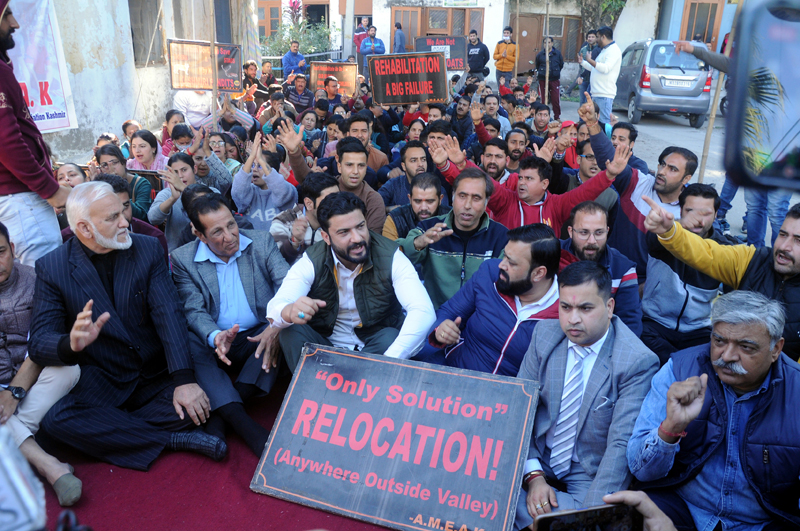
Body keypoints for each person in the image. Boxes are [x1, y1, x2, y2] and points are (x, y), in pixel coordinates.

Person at [29, 182, 225, 471]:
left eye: (123, 211)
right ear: (84, 228)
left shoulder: (146, 249)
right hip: (102, 379)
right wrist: (69, 344)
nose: (125, 222)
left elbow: (168, 315)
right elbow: (40, 341)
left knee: (196, 404)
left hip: (154, 373)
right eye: (111, 218)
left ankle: (120, 433)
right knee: (56, 419)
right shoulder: (52, 267)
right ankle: (172, 440)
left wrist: (183, 380)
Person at [628, 291, 800, 530]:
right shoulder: (680, 370)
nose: (727, 356)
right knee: (641, 513)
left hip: (762, 522)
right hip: (685, 507)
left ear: (776, 349)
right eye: (719, 341)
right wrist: (670, 429)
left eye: (746, 346)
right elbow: (640, 470)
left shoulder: (796, 392)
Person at [514, 260, 658, 529]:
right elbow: (519, 410)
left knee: (580, 521)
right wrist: (534, 477)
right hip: (539, 454)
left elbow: (619, 448)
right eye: (565, 307)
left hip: (589, 471)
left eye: (586, 308)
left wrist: (586, 519)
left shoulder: (636, 362)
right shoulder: (545, 336)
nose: (573, 319)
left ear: (610, 307)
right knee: (487, 498)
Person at [171, 194, 288, 457]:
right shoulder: (183, 259)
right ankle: (246, 425)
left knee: (284, 332)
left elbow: (286, 285)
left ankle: (223, 416)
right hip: (216, 341)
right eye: (217, 232)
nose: (230, 236)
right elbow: (193, 309)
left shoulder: (260, 242)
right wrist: (215, 336)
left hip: (258, 333)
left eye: (231, 225)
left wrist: (276, 324)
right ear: (200, 235)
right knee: (187, 340)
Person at [266, 192, 436, 369]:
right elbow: (277, 305)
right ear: (326, 237)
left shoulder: (390, 256)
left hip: (376, 348)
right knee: (291, 332)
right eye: (344, 232)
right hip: (326, 346)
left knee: (390, 337)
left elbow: (423, 311)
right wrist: (291, 311)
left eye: (360, 226)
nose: (357, 238)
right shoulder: (313, 260)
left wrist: (389, 359)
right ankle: (314, 392)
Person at [644, 193, 800, 360]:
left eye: (798, 240)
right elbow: (707, 253)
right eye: (783, 235)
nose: (784, 246)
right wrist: (671, 231)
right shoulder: (752, 260)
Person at [0, 221, 82, 506]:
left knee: (68, 369)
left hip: (34, 381)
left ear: (12, 249)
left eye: (0, 252)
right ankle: (51, 466)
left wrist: (14, 392)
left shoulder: (38, 279)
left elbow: (44, 343)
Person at [581, 95, 697, 282]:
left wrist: (649, 286)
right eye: (662, 165)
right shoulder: (637, 182)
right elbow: (608, 159)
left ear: (687, 178)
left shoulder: (688, 211)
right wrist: (593, 124)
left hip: (645, 284)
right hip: (607, 269)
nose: (662, 172)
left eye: (672, 169)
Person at [430, 224, 561, 375]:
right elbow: (450, 311)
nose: (501, 264)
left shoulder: (564, 312)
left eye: (511, 262)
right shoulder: (490, 273)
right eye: (504, 255)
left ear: (538, 273)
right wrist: (442, 329)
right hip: (452, 368)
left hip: (505, 394)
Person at [433, 135, 627, 235]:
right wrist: (459, 164)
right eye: (521, 178)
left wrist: (609, 174)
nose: (521, 183)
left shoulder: (557, 205)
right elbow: (481, 182)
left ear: (544, 184)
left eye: (529, 179)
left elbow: (586, 192)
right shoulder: (505, 200)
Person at [0, 2, 69, 266]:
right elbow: (6, 141)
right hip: (21, 202)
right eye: (6, 15)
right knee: (44, 281)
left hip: (16, 199)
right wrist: (50, 189)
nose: (15, 24)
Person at [641, 184, 737, 364]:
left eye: (706, 213)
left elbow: (734, 299)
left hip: (698, 330)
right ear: (680, 210)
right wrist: (675, 228)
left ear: (717, 214)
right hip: (654, 323)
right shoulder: (665, 233)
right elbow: (654, 239)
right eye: (690, 210)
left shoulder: (725, 249)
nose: (697, 219)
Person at [400, 168, 509, 309]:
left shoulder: (500, 237)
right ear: (452, 196)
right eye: (462, 196)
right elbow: (398, 253)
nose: (467, 205)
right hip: (436, 315)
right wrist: (418, 243)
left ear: (486, 202)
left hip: (479, 317)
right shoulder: (430, 228)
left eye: (476, 198)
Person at [280, 124, 386, 231]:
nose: (355, 171)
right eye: (349, 165)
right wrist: (294, 152)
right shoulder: (328, 187)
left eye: (361, 165)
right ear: (339, 165)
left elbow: (373, 239)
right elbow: (305, 180)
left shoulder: (373, 200)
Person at [561, 202, 642, 335]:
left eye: (599, 233)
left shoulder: (623, 269)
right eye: (584, 232)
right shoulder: (553, 255)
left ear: (607, 232)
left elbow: (630, 324)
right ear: (570, 232)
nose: (592, 240)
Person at [62, 173, 168, 263]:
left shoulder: (153, 240)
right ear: (85, 228)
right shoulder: (67, 239)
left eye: (125, 206)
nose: (124, 222)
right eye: (113, 215)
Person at [149, 153, 220, 252]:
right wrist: (172, 199)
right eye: (175, 172)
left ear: (194, 169)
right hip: (178, 252)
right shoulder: (167, 193)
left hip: (211, 249)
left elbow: (214, 212)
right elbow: (153, 218)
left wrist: (184, 190)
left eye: (184, 170)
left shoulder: (212, 191)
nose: (180, 176)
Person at [231, 132, 297, 231]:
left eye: (260, 166)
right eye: (252, 165)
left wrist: (261, 159)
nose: (254, 169)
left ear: (272, 170)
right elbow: (237, 191)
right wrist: (252, 156)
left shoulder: (287, 188)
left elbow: (282, 192)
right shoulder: (248, 191)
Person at [270, 172, 340, 264]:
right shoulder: (283, 220)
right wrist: (294, 242)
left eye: (337, 198)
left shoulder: (340, 223)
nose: (336, 205)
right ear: (309, 204)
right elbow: (275, 262)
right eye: (329, 200)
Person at [555, 139, 620, 237]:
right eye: (590, 157)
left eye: (599, 158)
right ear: (578, 159)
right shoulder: (565, 182)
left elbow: (610, 232)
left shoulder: (611, 196)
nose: (595, 162)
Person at [378, 140, 446, 210]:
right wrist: (389, 209)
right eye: (414, 160)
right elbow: (375, 205)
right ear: (403, 166)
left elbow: (444, 216)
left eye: (423, 159)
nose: (420, 164)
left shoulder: (437, 188)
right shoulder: (393, 185)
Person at [383, 172, 451, 241]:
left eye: (430, 201)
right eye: (418, 201)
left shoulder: (452, 217)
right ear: (410, 199)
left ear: (440, 199)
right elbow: (389, 250)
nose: (423, 207)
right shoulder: (395, 219)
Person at [95, 144, 153, 221]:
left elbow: (142, 215)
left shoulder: (141, 184)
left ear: (123, 162)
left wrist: (117, 188)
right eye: (105, 165)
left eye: (114, 163)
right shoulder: (102, 185)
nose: (110, 169)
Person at [580, 26, 621, 123]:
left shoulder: (613, 50)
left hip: (604, 94)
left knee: (603, 123)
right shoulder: (605, 50)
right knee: (596, 123)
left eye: (597, 37)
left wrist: (590, 60)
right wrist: (583, 62)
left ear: (603, 37)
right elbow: (595, 69)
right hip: (597, 93)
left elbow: (606, 68)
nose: (596, 40)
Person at [535, 37, 564, 120]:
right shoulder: (540, 55)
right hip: (543, 80)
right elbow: (537, 65)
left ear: (552, 43)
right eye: (545, 43)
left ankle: (557, 117)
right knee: (543, 99)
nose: (547, 44)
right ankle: (543, 116)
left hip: (554, 80)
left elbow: (561, 65)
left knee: (555, 99)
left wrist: (555, 72)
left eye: (549, 42)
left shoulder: (557, 54)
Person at [572, 30, 599, 105]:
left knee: (590, 103)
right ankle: (581, 117)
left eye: (593, 37)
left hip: (594, 80)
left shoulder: (599, 50)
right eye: (589, 37)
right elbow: (581, 66)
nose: (590, 38)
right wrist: (580, 76)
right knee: (582, 102)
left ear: (596, 38)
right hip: (584, 80)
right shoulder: (583, 49)